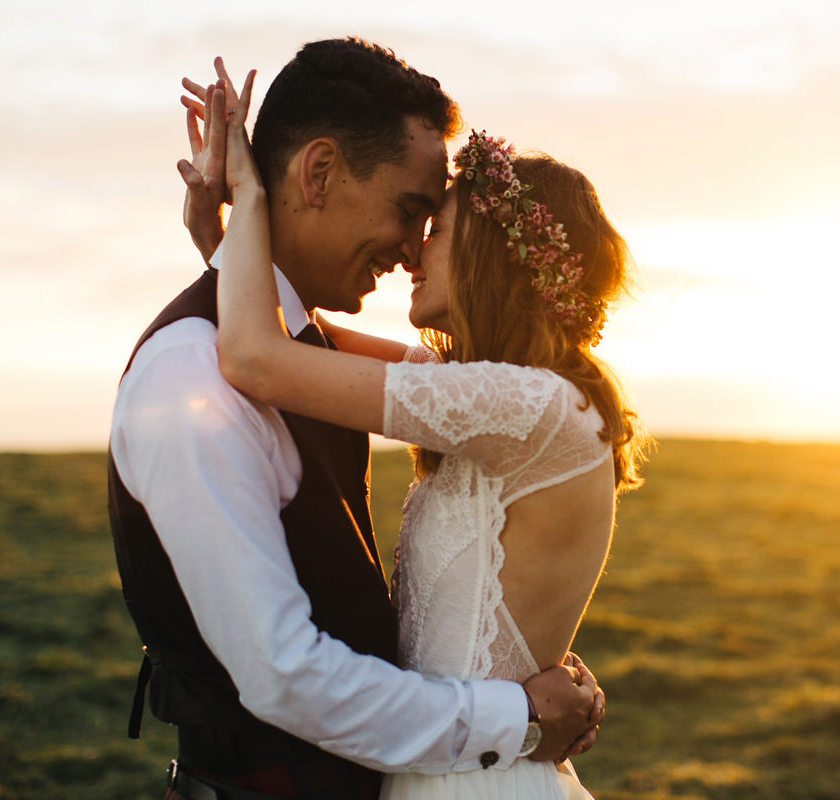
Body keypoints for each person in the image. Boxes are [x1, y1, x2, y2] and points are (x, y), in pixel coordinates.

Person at [108, 39, 603, 800]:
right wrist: (520, 714)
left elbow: (277, 351)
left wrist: (238, 228)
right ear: (320, 173)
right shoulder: (188, 374)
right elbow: (283, 674)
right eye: (412, 212)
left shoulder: (350, 364)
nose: (413, 249)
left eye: (434, 225)